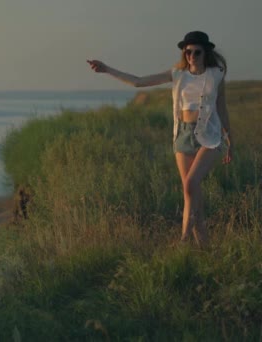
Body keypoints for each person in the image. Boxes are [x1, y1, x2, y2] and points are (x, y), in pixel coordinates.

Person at [86, 31, 233, 247]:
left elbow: (222, 107)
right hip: (183, 135)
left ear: (206, 52)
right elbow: (138, 82)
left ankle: (183, 240)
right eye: (188, 51)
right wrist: (107, 69)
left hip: (209, 136)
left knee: (192, 183)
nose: (191, 55)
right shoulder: (178, 74)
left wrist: (230, 140)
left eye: (196, 52)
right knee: (191, 193)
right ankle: (204, 248)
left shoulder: (216, 75)